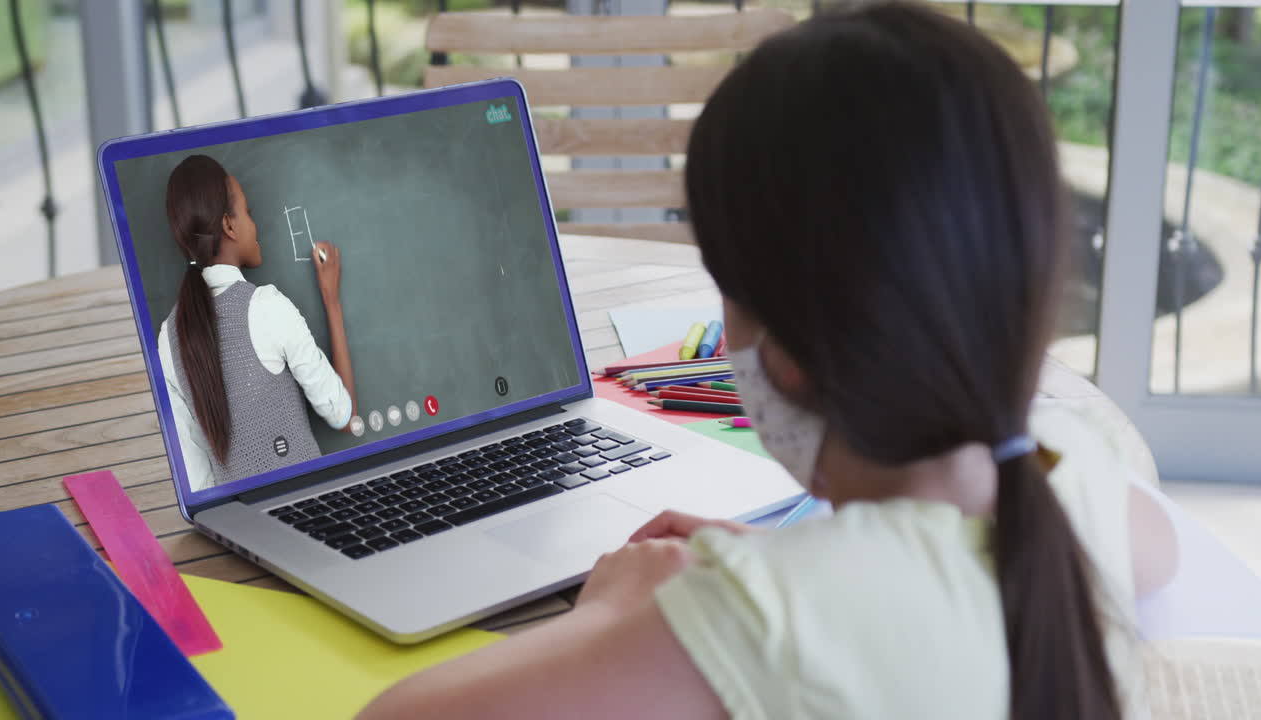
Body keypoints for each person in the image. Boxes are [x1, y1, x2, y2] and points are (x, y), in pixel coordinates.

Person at [358, 4, 1177, 718]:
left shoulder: (765, 620)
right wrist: (791, 563)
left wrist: (611, 618)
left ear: (781, 357)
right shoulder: (1081, 477)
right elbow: (1151, 551)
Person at [158, 154, 358, 492]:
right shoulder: (266, 308)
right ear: (229, 226)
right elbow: (345, 418)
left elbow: (199, 481)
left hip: (238, 529)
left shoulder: (167, 338)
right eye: (247, 213)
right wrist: (332, 301)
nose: (255, 224)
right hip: (311, 513)